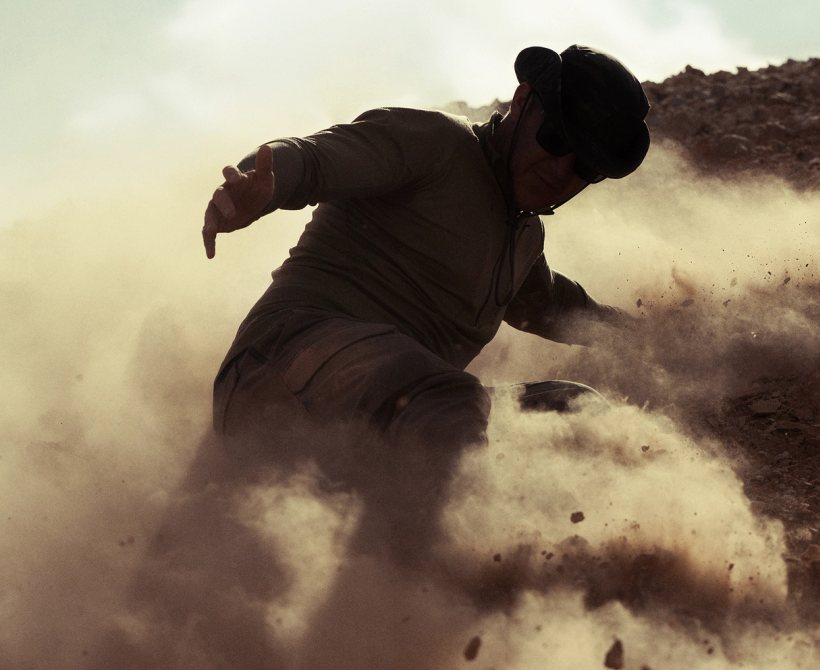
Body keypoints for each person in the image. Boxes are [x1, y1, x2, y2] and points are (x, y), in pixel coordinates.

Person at [202, 45, 650, 455]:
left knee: (573, 407)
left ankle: (578, 540)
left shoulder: (525, 236)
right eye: (555, 138)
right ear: (522, 99)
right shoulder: (436, 143)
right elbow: (314, 158)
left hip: (382, 415)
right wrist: (258, 185)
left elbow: (551, 305)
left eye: (586, 167)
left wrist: (642, 335)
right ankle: (463, 543)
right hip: (277, 363)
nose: (560, 170)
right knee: (453, 401)